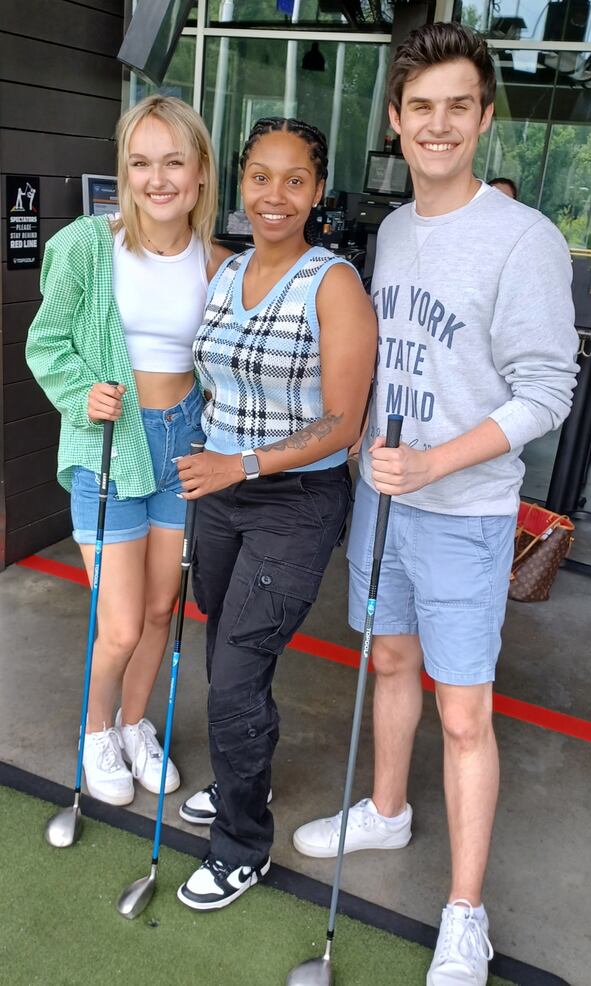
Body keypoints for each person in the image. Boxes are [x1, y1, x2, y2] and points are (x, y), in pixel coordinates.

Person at [292, 23, 578, 986]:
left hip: (465, 514)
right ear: (397, 123)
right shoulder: (395, 231)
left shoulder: (525, 239)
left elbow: (547, 390)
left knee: (465, 715)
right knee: (391, 663)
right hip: (383, 500)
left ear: (485, 118)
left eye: (460, 105)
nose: (440, 124)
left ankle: (466, 913)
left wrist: (439, 463)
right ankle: (386, 810)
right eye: (423, 108)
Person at [174, 117, 377, 910]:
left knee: (237, 671)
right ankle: (240, 785)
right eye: (261, 176)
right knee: (224, 650)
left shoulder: (335, 284)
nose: (276, 196)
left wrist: (244, 462)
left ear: (318, 191)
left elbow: (343, 424)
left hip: (294, 500)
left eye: (295, 180)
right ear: (240, 181)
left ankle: (240, 846)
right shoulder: (223, 273)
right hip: (219, 495)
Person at [26, 95, 230, 807]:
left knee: (157, 610)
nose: (158, 178)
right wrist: (83, 390)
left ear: (201, 172)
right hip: (109, 441)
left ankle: (136, 724)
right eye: (141, 162)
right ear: (125, 171)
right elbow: (45, 341)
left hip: (183, 440)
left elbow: (226, 364)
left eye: (174, 161)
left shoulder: (219, 264)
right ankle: (96, 731)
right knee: (117, 621)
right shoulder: (87, 244)